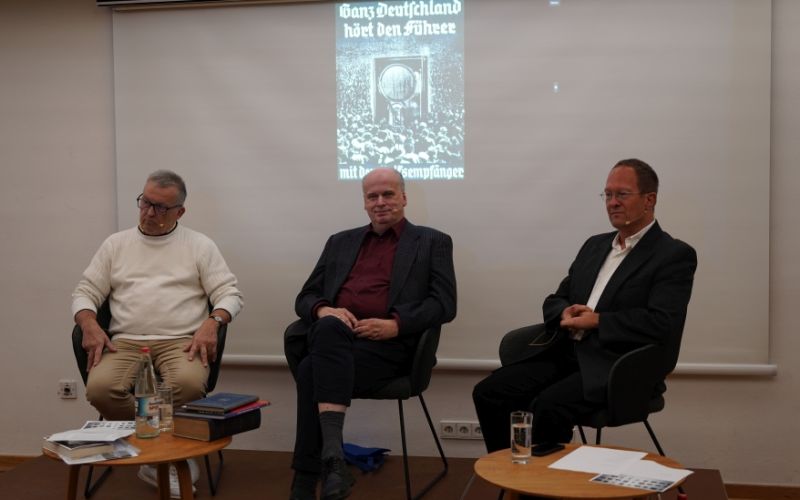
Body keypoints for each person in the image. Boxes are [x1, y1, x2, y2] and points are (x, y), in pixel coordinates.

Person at [473, 158, 697, 454]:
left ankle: (544, 488)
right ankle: (512, 475)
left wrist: (598, 321)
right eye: (608, 195)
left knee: (547, 405)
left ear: (649, 200)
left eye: (622, 194)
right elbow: (556, 299)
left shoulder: (672, 255)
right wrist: (563, 312)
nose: (612, 203)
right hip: (566, 354)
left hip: (615, 364)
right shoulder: (595, 245)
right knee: (490, 393)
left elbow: (661, 323)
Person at [285, 168, 457, 500]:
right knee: (330, 327)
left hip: (389, 349)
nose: (380, 202)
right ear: (364, 203)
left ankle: (306, 480)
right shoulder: (341, 242)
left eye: (388, 194)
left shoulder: (432, 241)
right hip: (338, 340)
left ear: (404, 198)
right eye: (372, 196)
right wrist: (325, 309)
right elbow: (305, 297)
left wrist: (395, 324)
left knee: (310, 370)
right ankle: (333, 460)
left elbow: (444, 305)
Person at [71, 169, 243, 495]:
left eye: (161, 208)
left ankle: (153, 454)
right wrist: (89, 323)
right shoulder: (116, 244)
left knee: (189, 385)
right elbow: (84, 291)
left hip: (181, 340)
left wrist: (213, 322)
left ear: (180, 211)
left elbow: (229, 295)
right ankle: (161, 457)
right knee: (101, 390)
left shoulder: (199, 245)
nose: (149, 213)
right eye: (145, 203)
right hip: (125, 341)